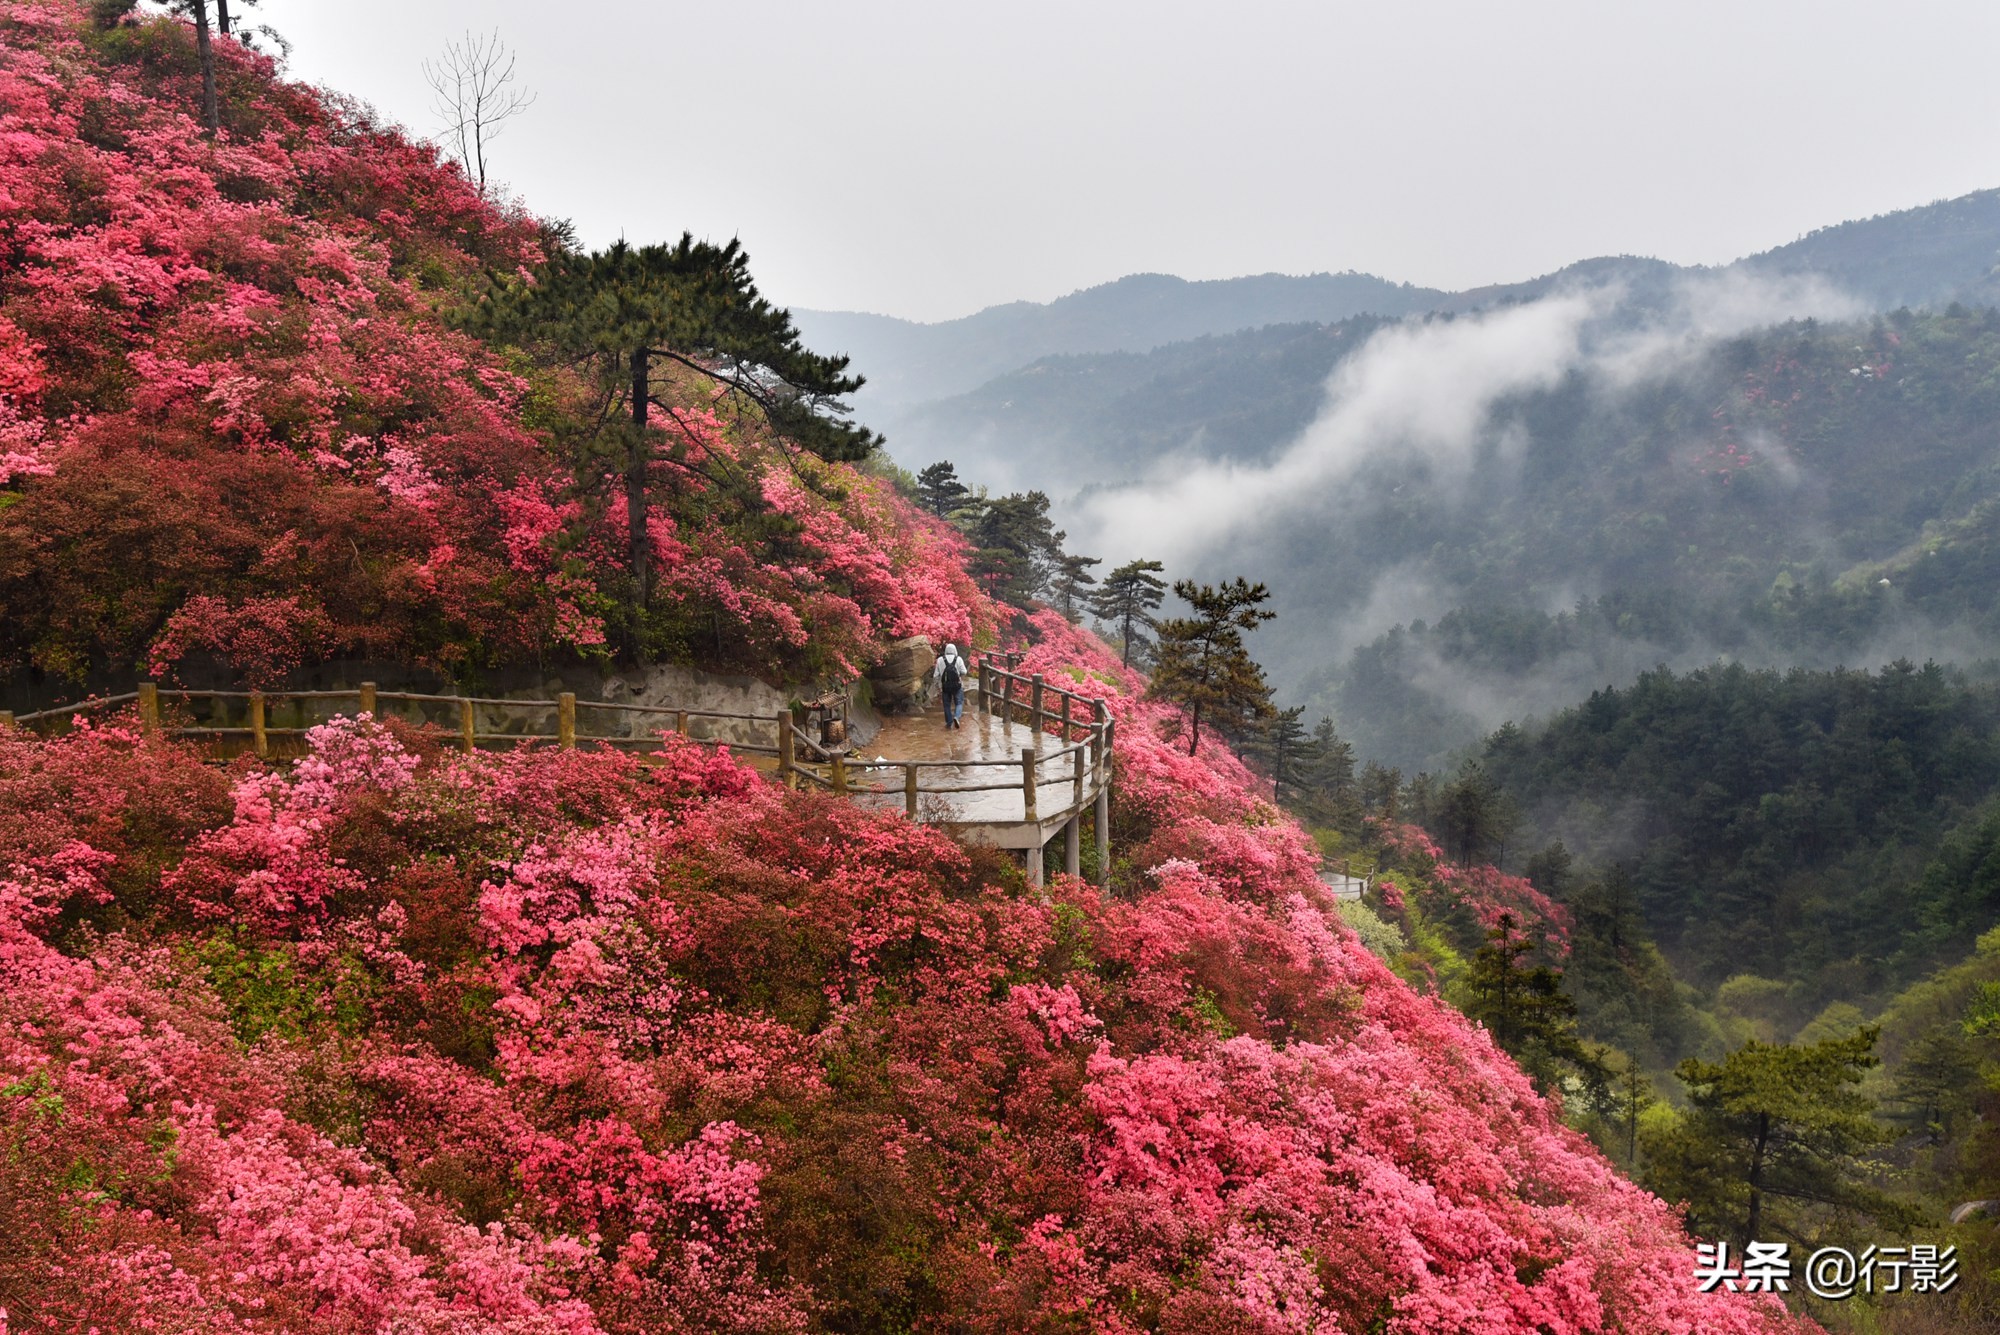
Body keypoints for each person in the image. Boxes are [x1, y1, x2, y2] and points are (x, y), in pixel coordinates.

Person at [932, 642, 969, 729]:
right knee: (959, 703)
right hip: (957, 685)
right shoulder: (958, 659)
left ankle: (949, 723)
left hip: (945, 686)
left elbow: (935, 675)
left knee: (947, 704)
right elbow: (964, 672)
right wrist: (959, 676)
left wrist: (938, 686)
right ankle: (956, 717)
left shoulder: (940, 660)